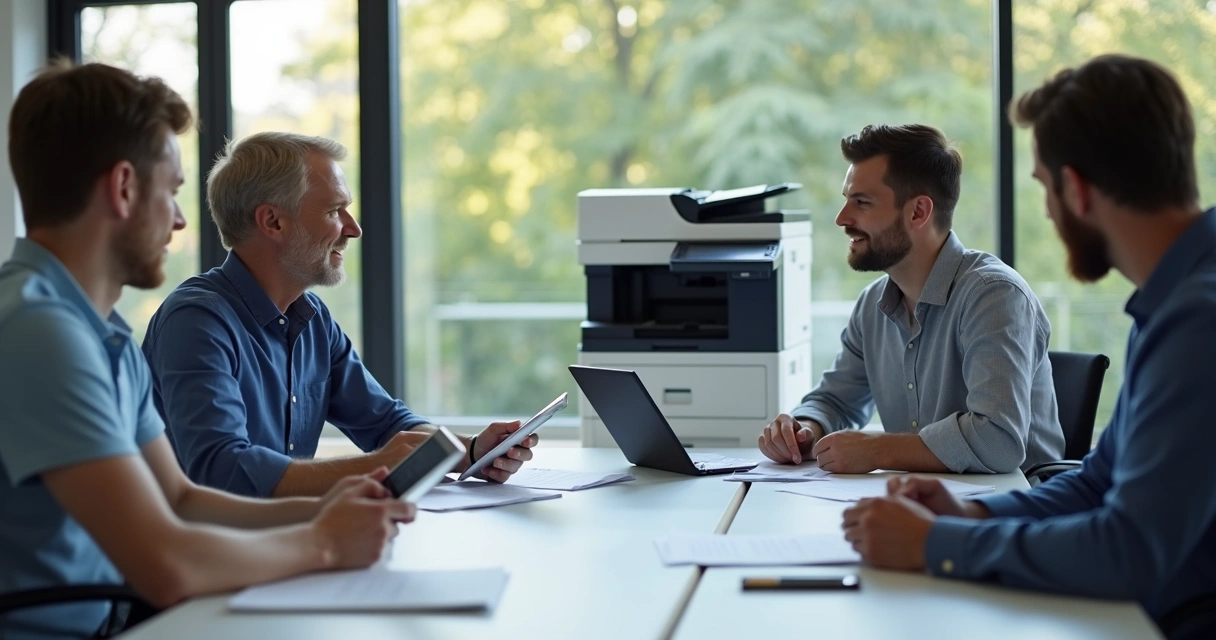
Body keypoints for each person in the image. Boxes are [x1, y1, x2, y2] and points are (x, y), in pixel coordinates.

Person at [0, 61, 411, 639]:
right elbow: (168, 566)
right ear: (122, 188)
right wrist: (322, 541)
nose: (179, 219)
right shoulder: (40, 332)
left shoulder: (102, 331)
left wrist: (333, 510)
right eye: (170, 191)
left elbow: (182, 499)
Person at [842, 55, 1216, 638]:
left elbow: (1128, 552)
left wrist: (938, 543)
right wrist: (970, 511)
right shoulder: (1172, 301)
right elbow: (1098, 481)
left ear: (1076, 188)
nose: (1046, 209)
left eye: (1044, 186)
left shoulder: (1199, 321)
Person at [141, 131, 537, 498]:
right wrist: (376, 467)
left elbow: (384, 424)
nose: (354, 229)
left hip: (284, 542)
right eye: (335, 210)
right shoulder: (196, 322)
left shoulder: (312, 317)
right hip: (212, 559)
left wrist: (468, 451)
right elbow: (222, 473)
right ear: (273, 221)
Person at [758, 124, 1064, 474]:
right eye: (846, 200)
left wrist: (876, 451)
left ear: (918, 212)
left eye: (862, 202)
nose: (842, 219)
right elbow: (834, 400)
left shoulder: (993, 296)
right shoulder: (873, 305)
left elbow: (998, 441)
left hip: (1014, 512)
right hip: (924, 502)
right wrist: (803, 432)